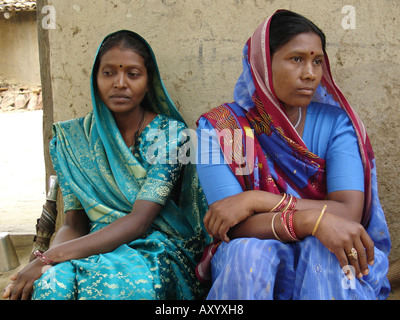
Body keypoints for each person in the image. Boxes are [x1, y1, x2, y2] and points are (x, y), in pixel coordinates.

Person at [195, 10, 391, 300]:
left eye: (317, 61)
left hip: (326, 246)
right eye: (296, 59)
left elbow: (348, 213)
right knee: (248, 253)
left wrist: (256, 199)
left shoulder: (338, 124)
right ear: (262, 63)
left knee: (326, 249)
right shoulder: (222, 128)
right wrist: (312, 220)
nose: (311, 73)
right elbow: (232, 226)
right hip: (251, 249)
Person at [3, 30, 209, 300]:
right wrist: (52, 264)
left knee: (125, 287)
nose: (120, 83)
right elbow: (74, 222)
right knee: (51, 285)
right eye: (109, 73)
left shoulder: (170, 135)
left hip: (153, 244)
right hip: (90, 243)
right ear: (95, 79)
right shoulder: (72, 139)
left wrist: (46, 257)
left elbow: (139, 222)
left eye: (133, 74)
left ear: (149, 82)